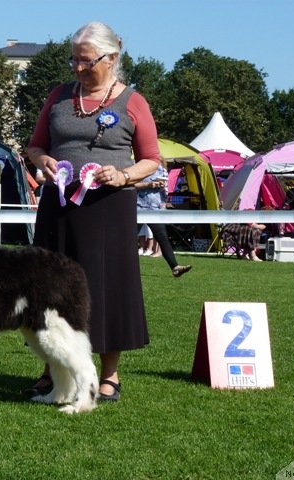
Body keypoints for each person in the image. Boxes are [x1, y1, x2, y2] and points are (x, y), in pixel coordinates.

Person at [26, 22, 160, 401]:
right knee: (51, 289)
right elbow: (34, 146)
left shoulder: (132, 101)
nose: (78, 69)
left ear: (111, 58)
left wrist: (123, 174)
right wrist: (44, 159)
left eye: (86, 62)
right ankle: (52, 369)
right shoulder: (58, 96)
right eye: (74, 61)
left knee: (106, 288)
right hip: (59, 206)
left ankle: (110, 375)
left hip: (108, 209)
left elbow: (152, 159)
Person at [135, 161, 192, 277]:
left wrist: (162, 194)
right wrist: (149, 185)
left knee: (163, 238)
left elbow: (165, 188)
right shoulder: (138, 165)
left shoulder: (161, 168)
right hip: (138, 207)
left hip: (154, 208)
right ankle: (114, 265)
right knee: (127, 240)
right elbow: (131, 185)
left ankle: (175, 267)